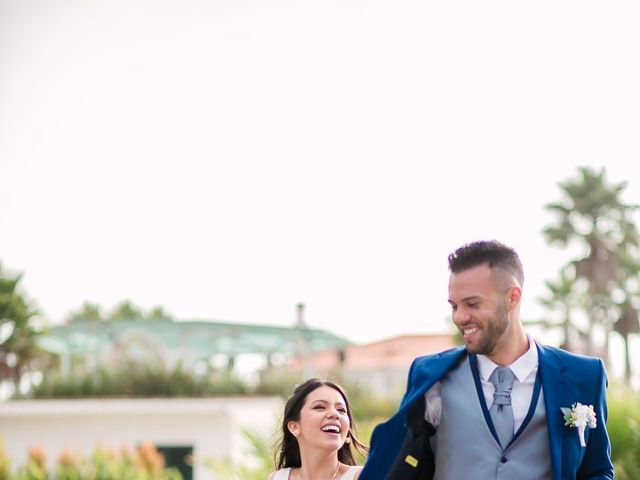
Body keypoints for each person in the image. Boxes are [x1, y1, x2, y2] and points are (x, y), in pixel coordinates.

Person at [360, 240, 614, 480]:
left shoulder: (584, 375)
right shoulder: (429, 374)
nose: (460, 317)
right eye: (454, 306)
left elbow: (597, 470)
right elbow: (404, 459)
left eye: (472, 304)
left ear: (513, 297)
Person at [268, 378, 368, 480]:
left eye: (341, 410)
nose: (335, 414)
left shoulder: (363, 476)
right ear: (294, 427)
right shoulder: (277, 478)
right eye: (320, 407)